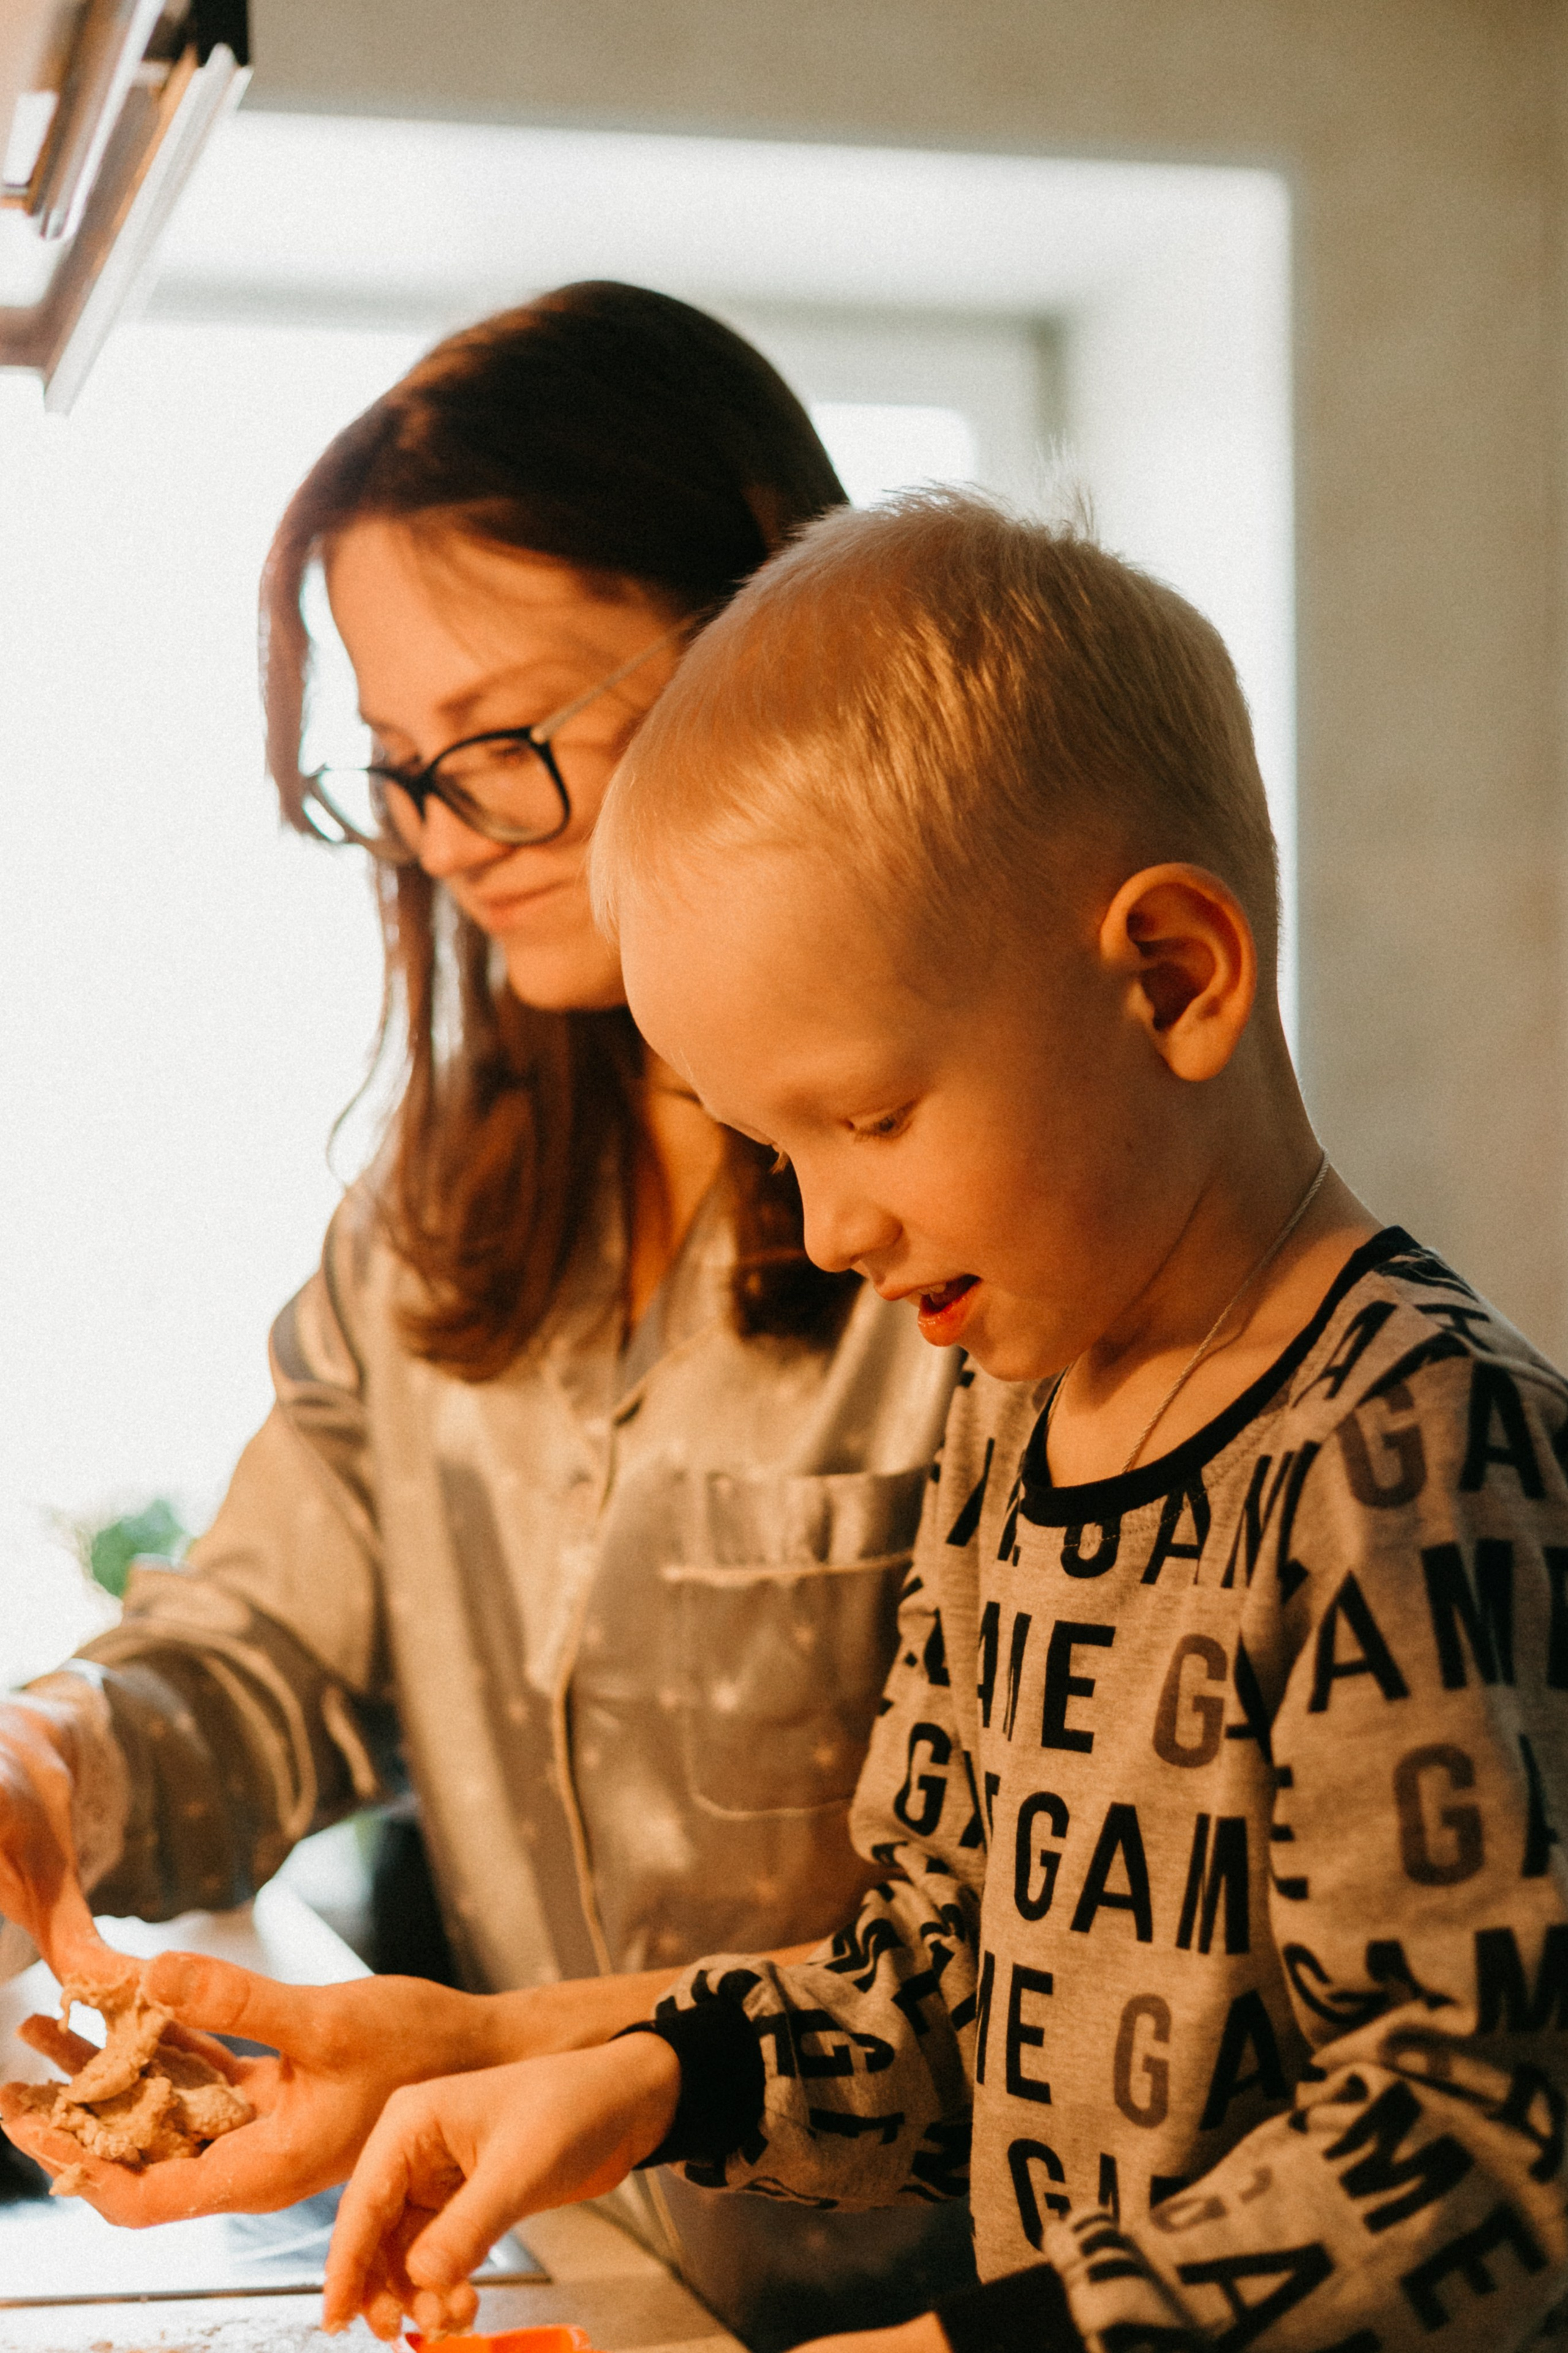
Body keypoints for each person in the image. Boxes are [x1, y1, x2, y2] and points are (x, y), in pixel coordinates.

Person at [302, 491, 1568, 2353]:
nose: (828, 1226)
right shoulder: (1011, 1427)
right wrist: (656, 2080)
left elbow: (1477, 2149)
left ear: (1171, 978)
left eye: (871, 1117)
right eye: (773, 1147)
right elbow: (942, 1986)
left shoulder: (1416, 1455)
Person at [0, 286, 972, 2347]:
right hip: (602, 2288)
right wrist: (54, 1752)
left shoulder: (982, 1230)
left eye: (512, 737)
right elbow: (265, 1647)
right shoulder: (431, 1232)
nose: (450, 841)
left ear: (768, 631)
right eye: (401, 773)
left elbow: (1050, 1957)